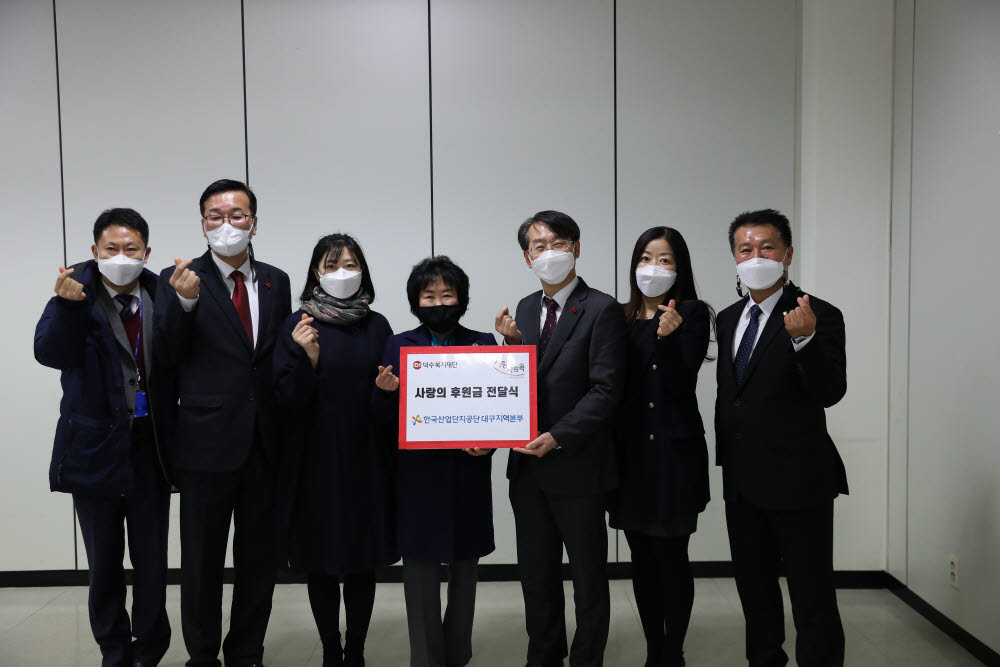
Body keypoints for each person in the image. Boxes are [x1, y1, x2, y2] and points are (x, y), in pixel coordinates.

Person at [155, 179, 291, 667]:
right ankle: (202, 655)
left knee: (259, 560)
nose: (226, 224)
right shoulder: (180, 279)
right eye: (215, 215)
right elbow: (165, 356)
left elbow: (270, 358)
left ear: (254, 222)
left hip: (262, 442)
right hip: (204, 443)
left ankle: (246, 651)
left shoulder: (276, 280)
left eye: (237, 215)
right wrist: (185, 303)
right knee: (201, 562)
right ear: (203, 223)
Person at [34, 208, 171, 667]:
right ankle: (114, 651)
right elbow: (49, 352)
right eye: (111, 249)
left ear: (146, 252)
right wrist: (69, 307)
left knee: (152, 565)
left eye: (131, 249)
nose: (121, 257)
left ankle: (149, 651)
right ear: (95, 251)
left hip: (150, 451)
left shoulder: (161, 292)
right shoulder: (75, 292)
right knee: (105, 566)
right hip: (95, 452)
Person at [715, 209, 847, 667]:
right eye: (745, 249)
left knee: (812, 598)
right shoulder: (729, 317)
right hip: (743, 482)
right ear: (734, 257)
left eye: (766, 247)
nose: (756, 257)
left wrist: (805, 342)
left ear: (787, 254)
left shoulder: (818, 314)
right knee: (755, 595)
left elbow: (830, 392)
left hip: (799, 482)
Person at [496, 210, 627, 667]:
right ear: (527, 257)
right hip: (528, 469)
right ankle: (543, 656)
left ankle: (587, 658)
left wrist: (558, 435)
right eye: (538, 246)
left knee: (588, 578)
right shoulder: (528, 307)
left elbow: (606, 388)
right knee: (536, 575)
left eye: (557, 243)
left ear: (575, 247)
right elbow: (531, 381)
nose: (548, 253)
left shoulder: (602, 308)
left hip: (577, 465)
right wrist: (512, 350)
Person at [272, 234, 395, 667]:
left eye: (350, 264)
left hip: (366, 455)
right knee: (320, 559)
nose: (342, 273)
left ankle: (356, 651)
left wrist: (388, 391)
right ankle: (330, 651)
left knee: (363, 559)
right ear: (315, 273)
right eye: (331, 265)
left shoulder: (377, 324)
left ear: (363, 270)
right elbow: (286, 398)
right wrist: (307, 357)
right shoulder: (298, 323)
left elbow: (391, 396)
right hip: (314, 458)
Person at [373, 256, 496, 667]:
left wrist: (489, 444)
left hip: (467, 473)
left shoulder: (482, 344)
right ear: (415, 301)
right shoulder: (398, 344)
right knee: (421, 574)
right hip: (418, 478)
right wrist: (385, 392)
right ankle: (425, 659)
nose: (439, 302)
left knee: (465, 572)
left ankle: (458, 655)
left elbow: (497, 415)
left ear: (462, 299)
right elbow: (381, 420)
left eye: (448, 294)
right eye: (429, 295)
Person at [609, 227, 714, 667]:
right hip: (630, 457)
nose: (654, 267)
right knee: (641, 559)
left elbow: (680, 381)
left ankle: (674, 652)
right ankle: (655, 649)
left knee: (672, 557)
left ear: (680, 267)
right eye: (647, 258)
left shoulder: (690, 313)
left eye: (665, 259)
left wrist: (668, 339)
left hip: (675, 456)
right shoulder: (619, 316)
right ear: (634, 265)